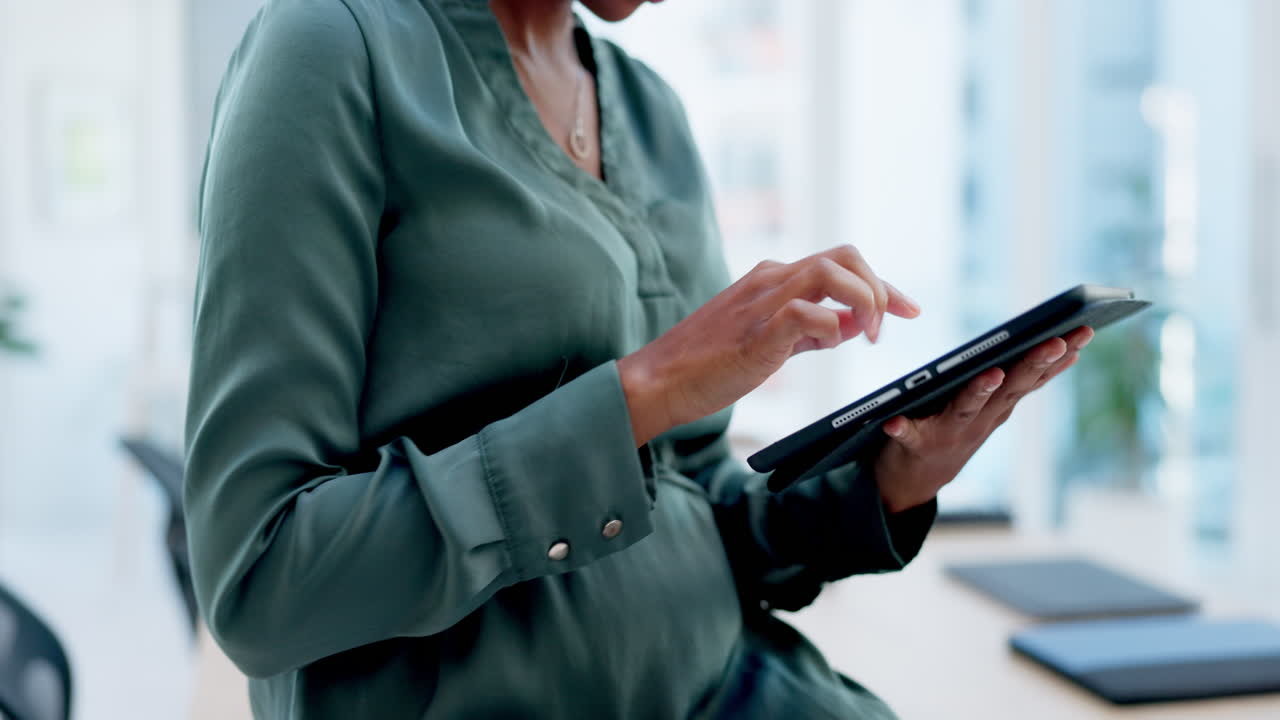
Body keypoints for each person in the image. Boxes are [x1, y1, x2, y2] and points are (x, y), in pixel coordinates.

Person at [183, 0, 1094, 717]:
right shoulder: (330, 49)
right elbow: (262, 582)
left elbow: (697, 501)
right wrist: (642, 392)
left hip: (737, 684)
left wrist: (895, 476)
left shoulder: (649, 109)